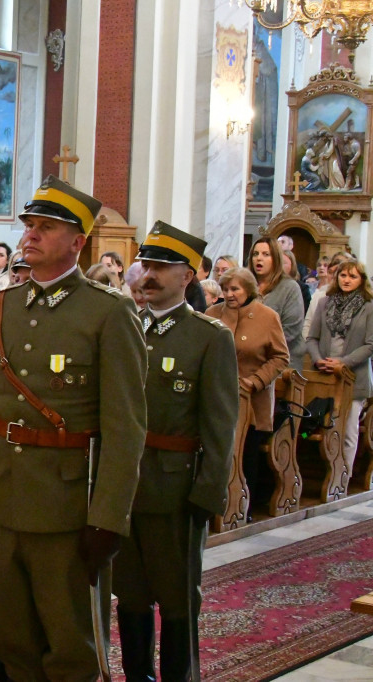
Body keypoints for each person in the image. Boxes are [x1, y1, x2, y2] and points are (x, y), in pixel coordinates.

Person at [0, 175, 147, 681]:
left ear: (78, 242)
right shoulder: (2, 307)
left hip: (68, 507)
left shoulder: (108, 312)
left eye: (46, 227)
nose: (30, 236)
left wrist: (109, 517)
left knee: (70, 648)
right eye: (29, 226)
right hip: (3, 497)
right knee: (11, 638)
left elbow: (126, 427)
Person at [113, 222, 238, 682]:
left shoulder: (209, 337)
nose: (149, 274)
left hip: (175, 489)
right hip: (125, 486)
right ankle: (137, 676)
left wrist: (208, 493)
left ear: (188, 275)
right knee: (129, 595)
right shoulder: (123, 325)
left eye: (162, 267)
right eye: (147, 264)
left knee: (179, 597)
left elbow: (221, 426)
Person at [206, 268, 289, 520]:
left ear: (249, 290)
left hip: (251, 398)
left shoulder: (267, 317)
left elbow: (281, 357)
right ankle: (213, 506)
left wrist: (256, 381)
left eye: (235, 289)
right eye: (226, 289)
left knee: (246, 453)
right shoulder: (212, 314)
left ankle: (243, 507)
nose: (229, 295)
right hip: (216, 396)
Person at [306, 260, 373, 477]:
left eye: (352, 276)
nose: (346, 280)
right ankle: (325, 474)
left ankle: (342, 478)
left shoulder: (369, 306)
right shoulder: (325, 302)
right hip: (325, 374)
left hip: (354, 376)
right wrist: (318, 360)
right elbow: (312, 338)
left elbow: (371, 344)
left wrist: (343, 362)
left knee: (348, 431)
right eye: (343, 275)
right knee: (327, 427)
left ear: (361, 280)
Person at [249, 236, 305, 370]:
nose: (259, 258)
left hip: (282, 362)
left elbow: (291, 329)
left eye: (266, 254)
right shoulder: (247, 286)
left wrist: (259, 347)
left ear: (276, 258)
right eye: (255, 254)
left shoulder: (290, 287)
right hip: (249, 360)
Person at [305, 251, 355, 338]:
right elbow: (308, 325)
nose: (335, 276)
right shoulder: (319, 296)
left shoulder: (359, 299)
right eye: (331, 272)